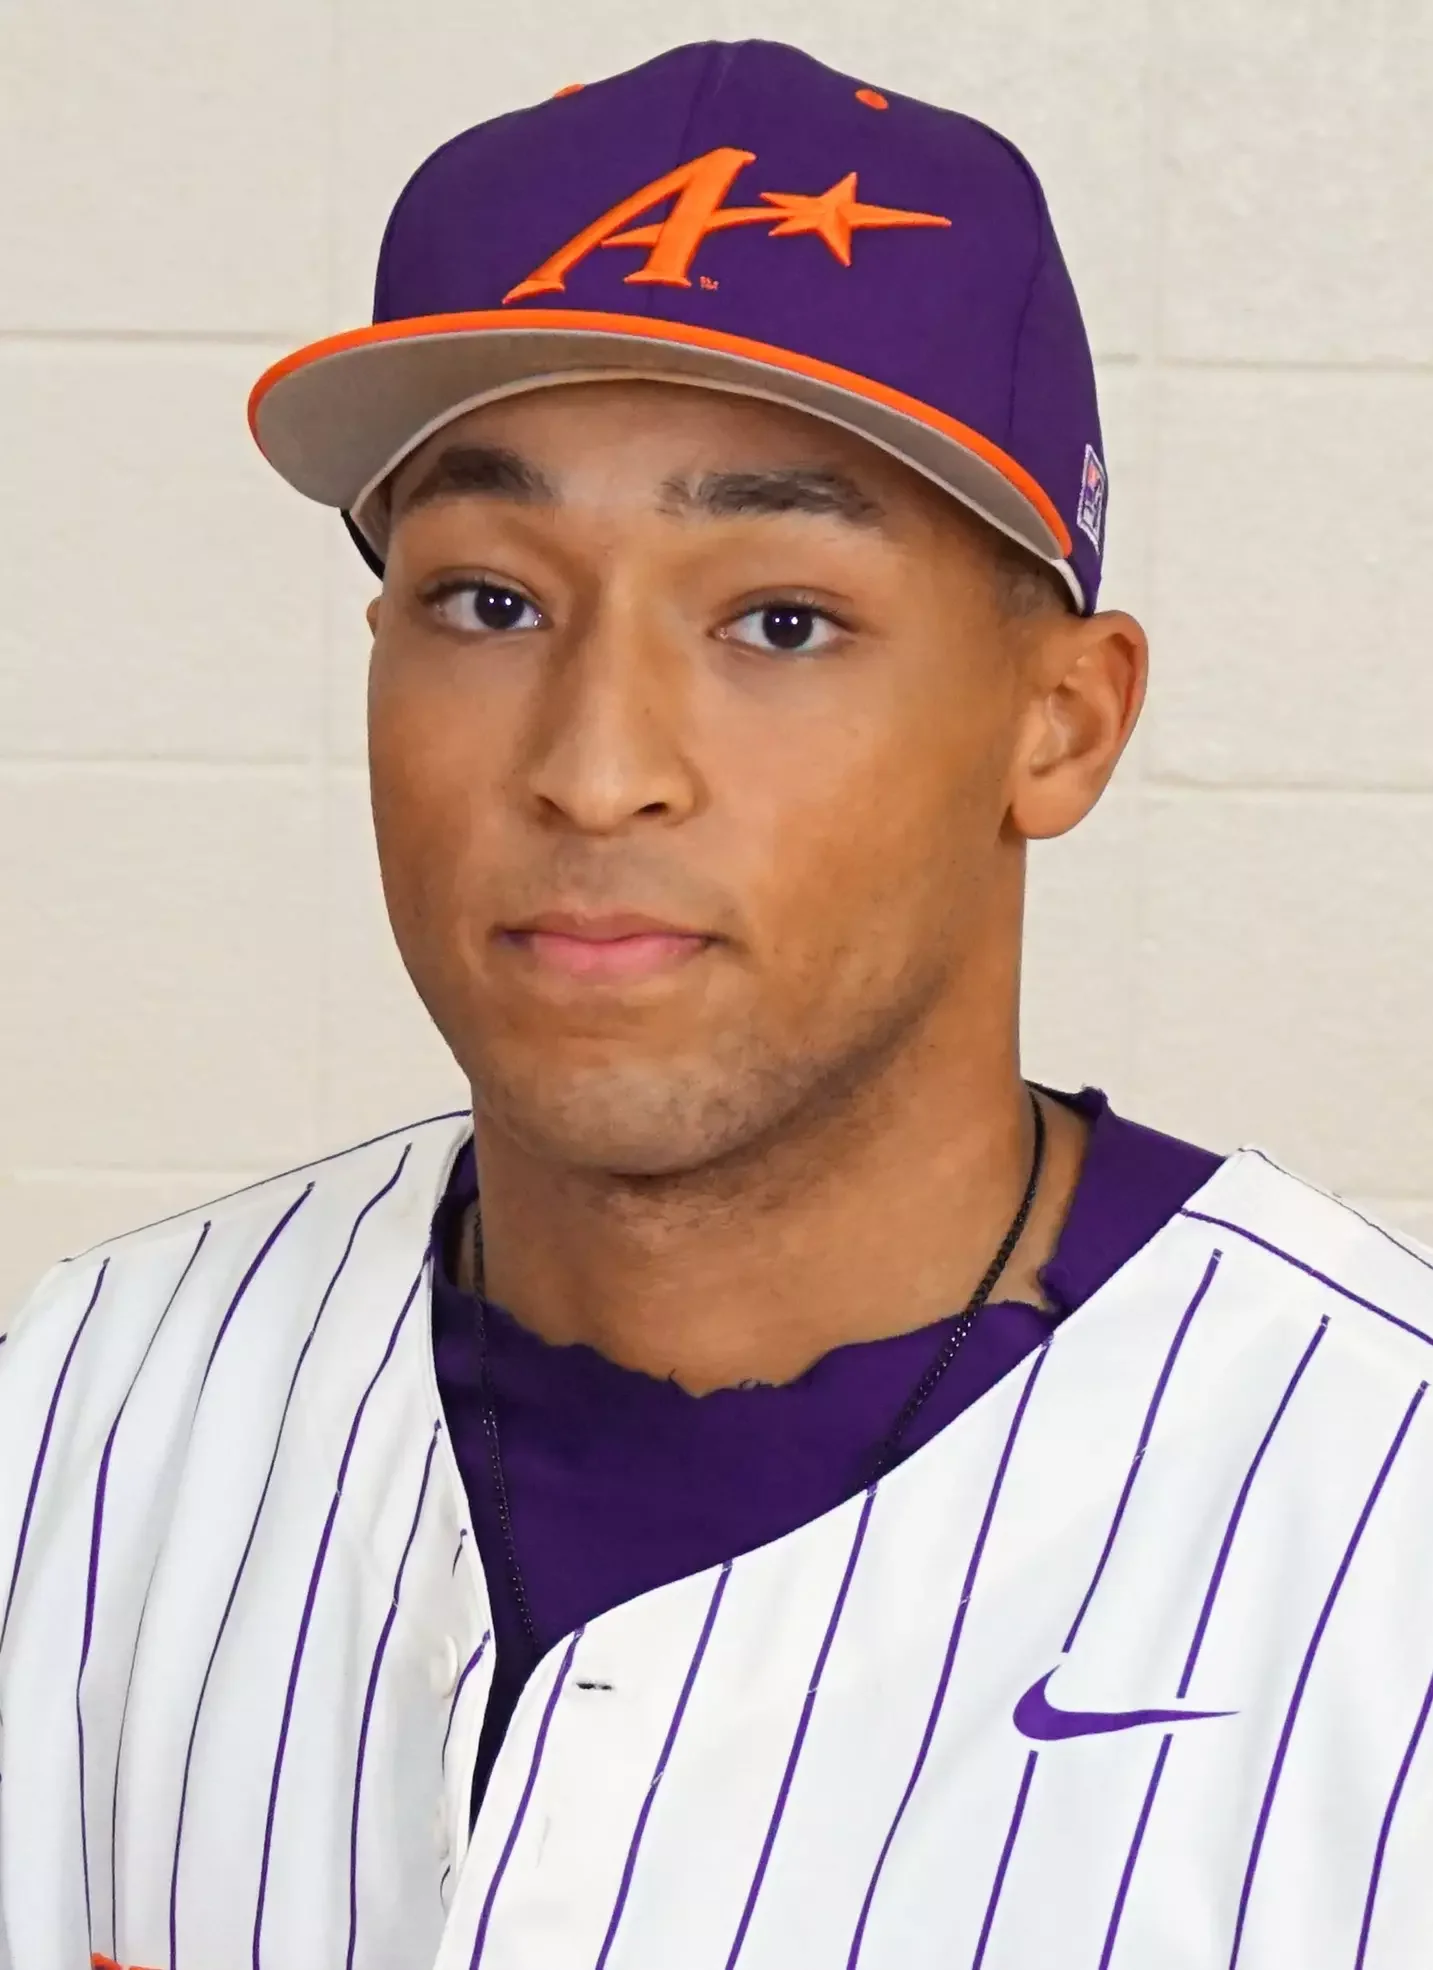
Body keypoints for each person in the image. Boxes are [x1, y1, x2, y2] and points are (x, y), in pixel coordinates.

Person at [1, 37, 1430, 1970]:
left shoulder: (1379, 1519)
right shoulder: (89, 1409)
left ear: (1060, 722)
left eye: (780, 621)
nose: (596, 769)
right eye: (489, 601)